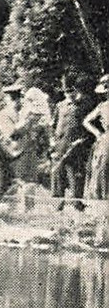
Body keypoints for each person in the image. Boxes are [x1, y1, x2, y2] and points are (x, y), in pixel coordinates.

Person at [51, 77, 91, 210]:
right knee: (57, 176)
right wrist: (52, 142)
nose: (69, 94)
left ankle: (77, 205)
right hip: (60, 147)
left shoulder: (85, 105)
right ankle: (58, 205)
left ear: (77, 90)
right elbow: (54, 125)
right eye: (67, 91)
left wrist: (82, 141)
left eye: (72, 91)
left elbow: (90, 127)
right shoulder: (60, 106)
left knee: (75, 178)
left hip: (77, 148)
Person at [85, 74, 109, 203]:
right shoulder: (102, 106)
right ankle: (103, 201)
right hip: (107, 140)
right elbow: (86, 121)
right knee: (102, 168)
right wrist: (97, 133)